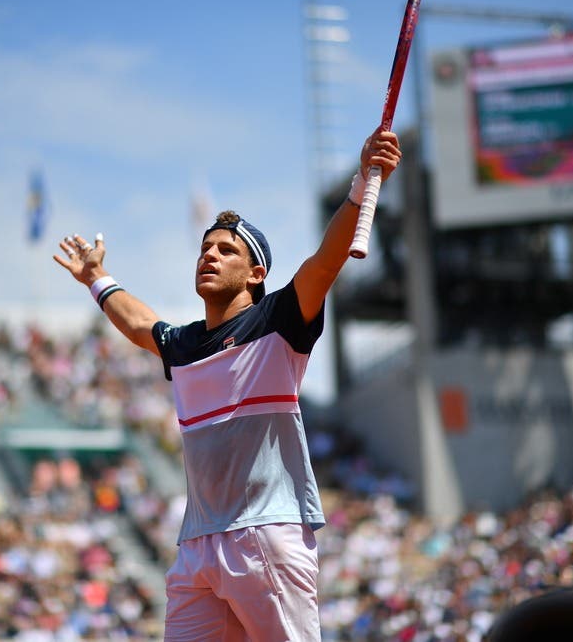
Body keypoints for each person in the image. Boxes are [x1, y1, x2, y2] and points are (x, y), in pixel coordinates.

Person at [53, 125, 401, 641]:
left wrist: (363, 182)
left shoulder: (279, 319)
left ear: (257, 273)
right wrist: (97, 279)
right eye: (205, 249)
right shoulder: (185, 344)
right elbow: (136, 322)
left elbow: (325, 261)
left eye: (226, 251)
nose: (209, 256)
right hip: (198, 545)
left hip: (266, 532)